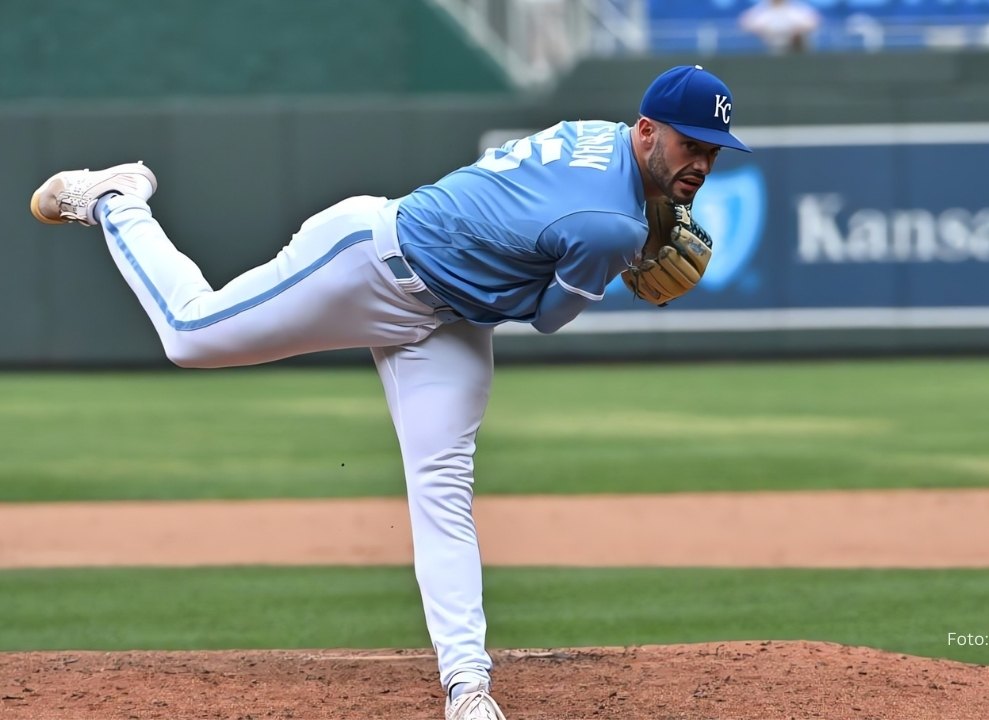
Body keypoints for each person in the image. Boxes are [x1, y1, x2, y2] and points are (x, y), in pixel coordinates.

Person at [28, 64, 751, 720]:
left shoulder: (598, 137)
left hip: (448, 317)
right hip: (370, 264)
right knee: (190, 334)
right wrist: (627, 260)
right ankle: (118, 198)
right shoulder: (611, 227)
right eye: (692, 145)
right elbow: (547, 318)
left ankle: (468, 686)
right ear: (649, 131)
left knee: (443, 483)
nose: (703, 163)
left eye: (713, 151)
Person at [739, 0, 822, 54]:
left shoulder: (798, 9)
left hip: (796, 52)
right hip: (768, 52)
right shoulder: (759, 10)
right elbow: (745, 24)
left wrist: (796, 31)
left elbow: (814, 22)